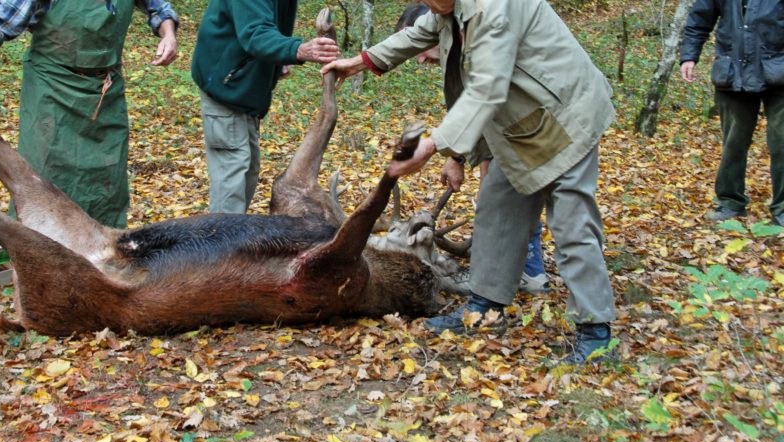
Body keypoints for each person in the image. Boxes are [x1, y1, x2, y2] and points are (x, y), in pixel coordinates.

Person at [322, 0, 618, 365]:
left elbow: (486, 87)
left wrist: (432, 145)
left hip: (564, 118)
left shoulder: (495, 8)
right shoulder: (449, 8)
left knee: (573, 226)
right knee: (496, 215)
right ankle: (483, 313)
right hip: (519, 128)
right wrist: (362, 62)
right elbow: (419, 32)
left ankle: (596, 334)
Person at [0, 0, 180, 228]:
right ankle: (36, 256)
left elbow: (159, 8)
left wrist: (168, 34)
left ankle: (100, 258)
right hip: (52, 89)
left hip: (104, 94)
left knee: (105, 184)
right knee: (44, 179)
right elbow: (4, 18)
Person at [394, 3, 550, 295]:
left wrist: (444, 151)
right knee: (496, 193)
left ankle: (527, 270)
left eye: (419, 46)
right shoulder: (458, 50)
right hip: (508, 128)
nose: (419, 59)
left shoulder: (478, 30)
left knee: (508, 192)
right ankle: (505, 269)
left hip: (531, 125)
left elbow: (485, 101)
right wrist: (458, 158)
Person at [192, 1, 340, 214]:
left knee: (248, 172)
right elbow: (255, 33)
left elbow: (266, 24)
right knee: (232, 176)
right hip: (226, 86)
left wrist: (278, 57)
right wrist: (297, 49)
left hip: (245, 90)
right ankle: (223, 244)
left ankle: (232, 237)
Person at [679, 0, 784, 226]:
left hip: (779, 74)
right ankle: (730, 202)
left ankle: (782, 209)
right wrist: (689, 55)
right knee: (733, 143)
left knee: (782, 142)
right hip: (732, 73)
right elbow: (699, 19)